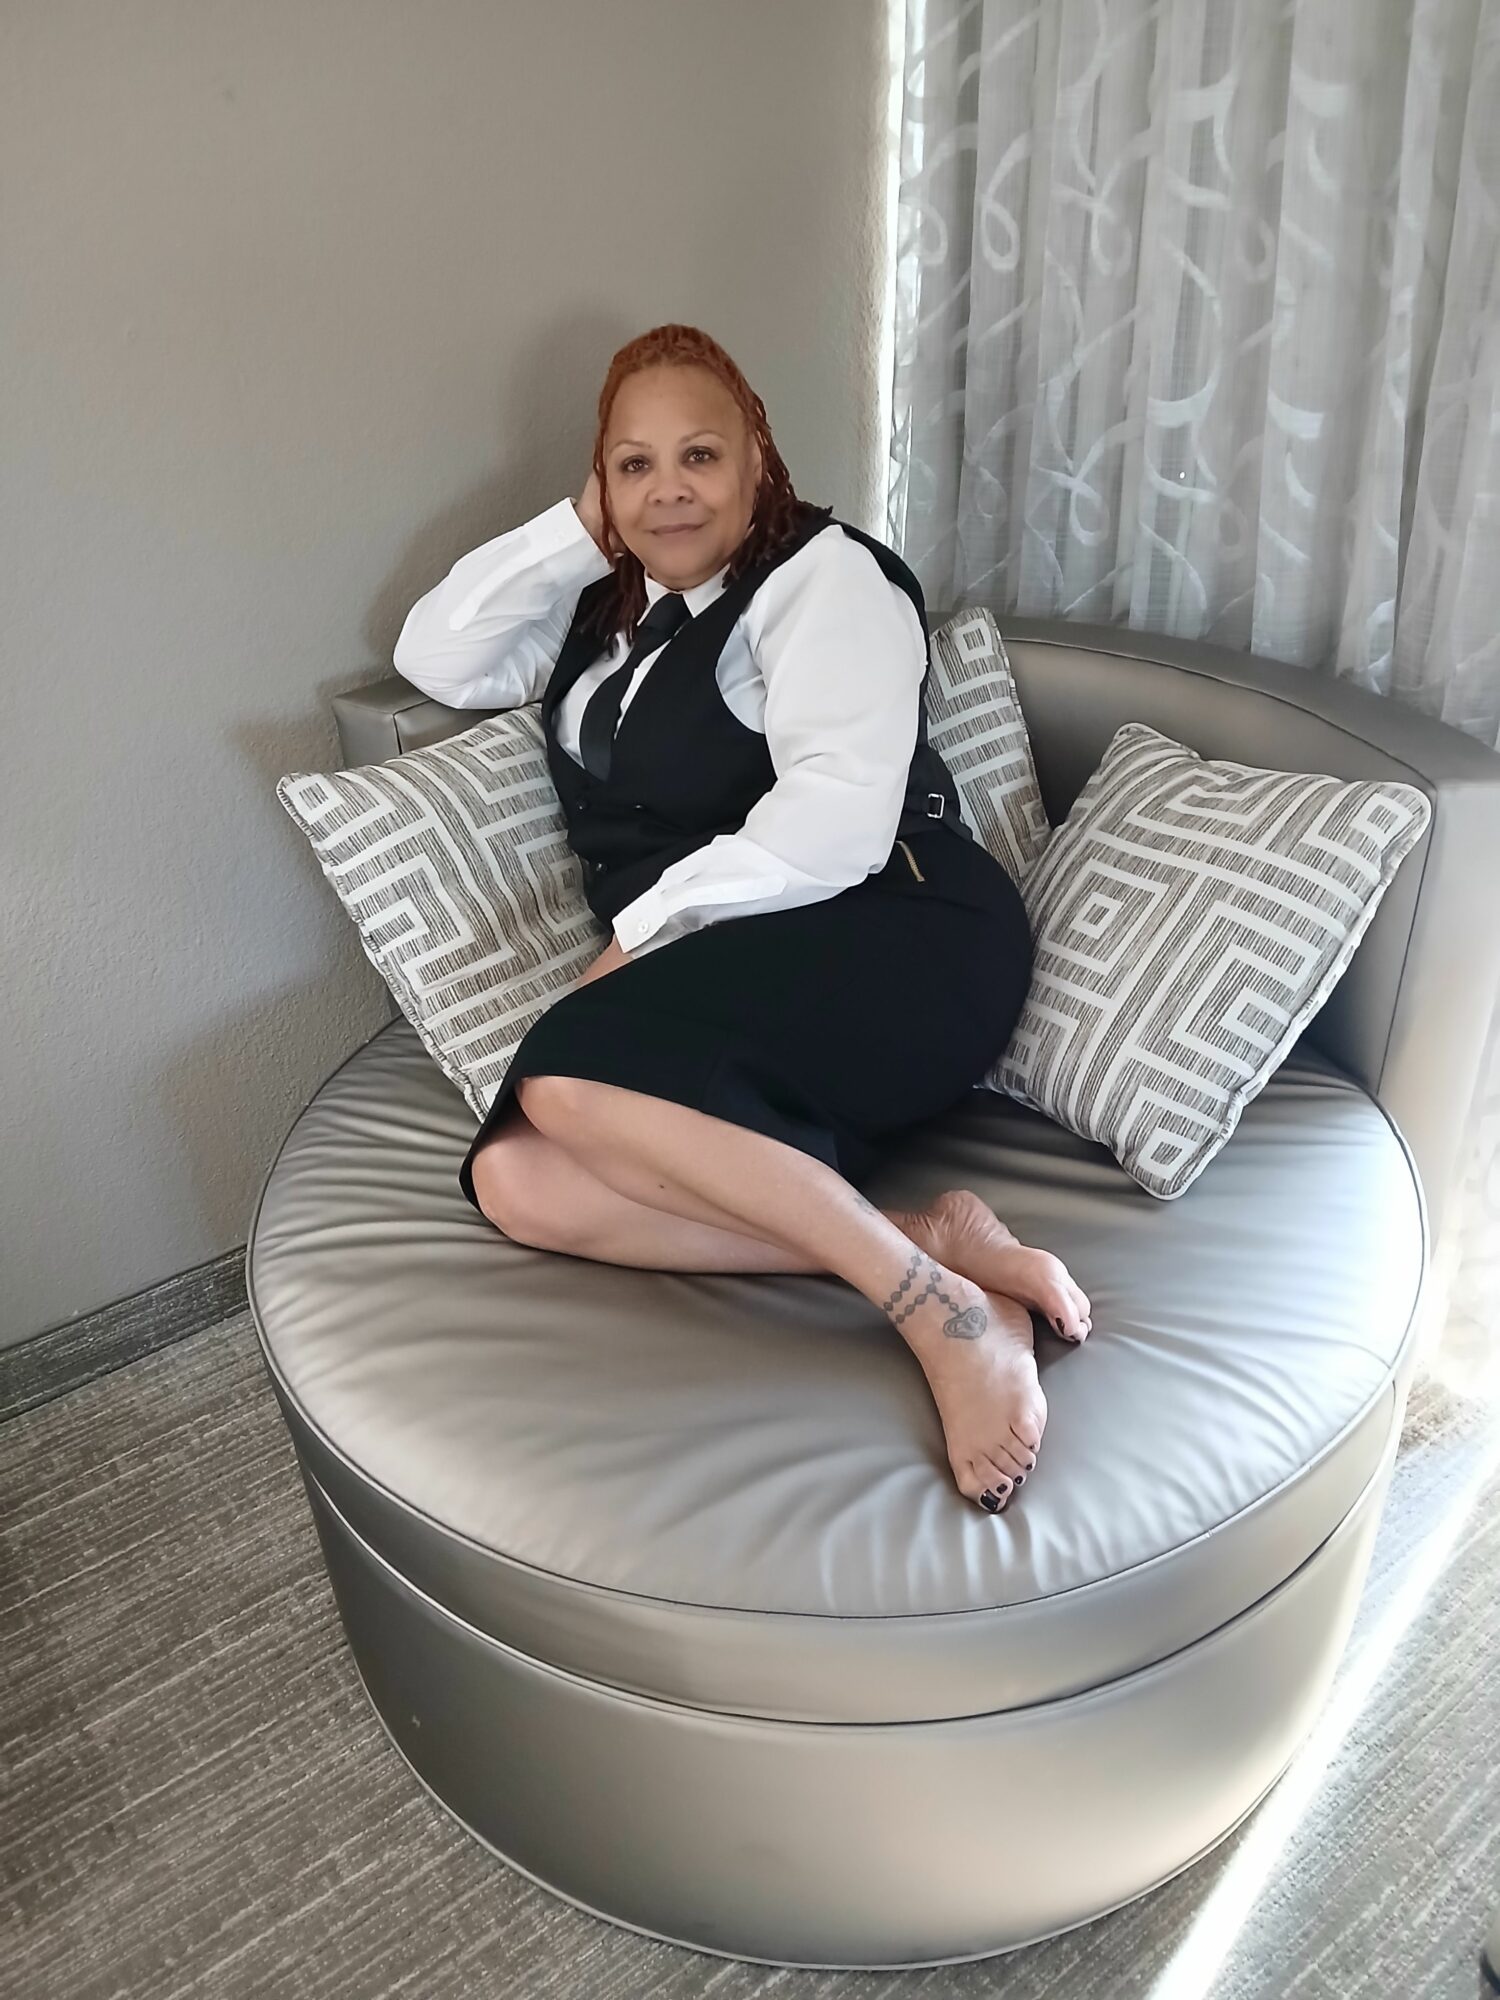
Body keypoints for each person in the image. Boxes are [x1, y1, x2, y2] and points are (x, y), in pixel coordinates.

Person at [392, 322, 1092, 1514]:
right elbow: (435, 653)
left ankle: (939, 1316)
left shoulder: (827, 579)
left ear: (760, 458)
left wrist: (631, 941)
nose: (669, 489)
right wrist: (579, 531)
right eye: (634, 465)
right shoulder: (606, 611)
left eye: (701, 456)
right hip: (736, 960)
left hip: (902, 921)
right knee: (519, 1183)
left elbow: (837, 823)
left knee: (558, 1082)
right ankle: (927, 1237)